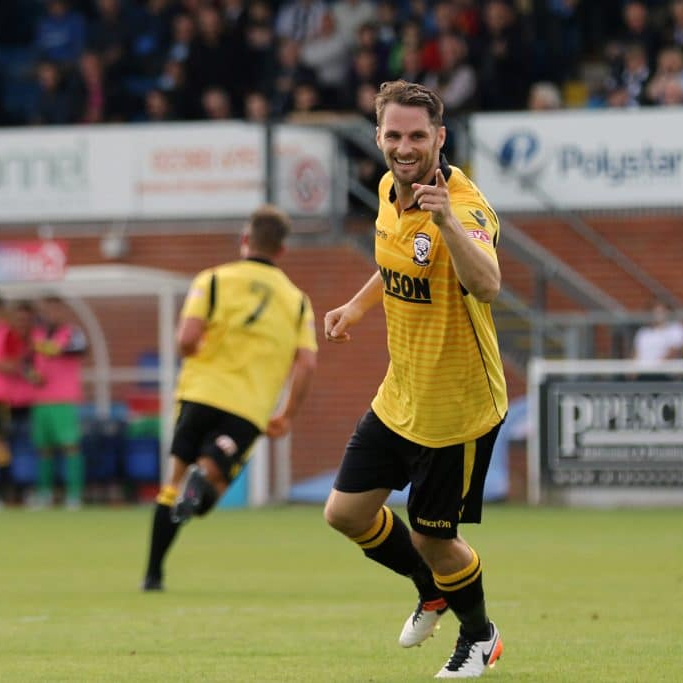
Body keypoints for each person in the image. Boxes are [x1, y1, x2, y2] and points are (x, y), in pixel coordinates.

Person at [323, 80, 508, 679]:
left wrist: (449, 222)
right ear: (378, 137)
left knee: (435, 539)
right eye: (394, 135)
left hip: (455, 411)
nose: (405, 147)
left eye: (418, 136)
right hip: (399, 395)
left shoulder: (467, 207)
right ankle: (431, 591)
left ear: (440, 138)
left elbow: (487, 285)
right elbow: (395, 260)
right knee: (345, 514)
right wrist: (355, 307)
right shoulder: (384, 188)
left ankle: (479, 636)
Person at [142, 204, 318, 591]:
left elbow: (186, 338)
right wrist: (286, 414)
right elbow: (306, 363)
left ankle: (153, 575)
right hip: (249, 408)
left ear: (244, 240)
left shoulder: (213, 280)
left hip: (200, 393)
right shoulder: (297, 301)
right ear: (282, 250)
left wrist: (194, 351)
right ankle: (203, 479)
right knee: (212, 485)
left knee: (170, 486)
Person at [31, 296, 89, 509]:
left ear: (62, 310)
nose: (51, 314)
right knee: (43, 449)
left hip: (64, 399)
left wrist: (50, 349)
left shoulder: (72, 333)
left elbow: (80, 350)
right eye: (47, 309)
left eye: (55, 309)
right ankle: (44, 493)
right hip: (40, 399)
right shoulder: (35, 334)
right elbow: (26, 360)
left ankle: (74, 495)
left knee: (70, 446)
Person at [632, 299, 683, 364]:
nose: (658, 315)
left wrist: (655, 367)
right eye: (655, 311)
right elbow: (635, 354)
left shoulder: (675, 329)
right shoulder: (643, 332)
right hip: (642, 371)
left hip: (663, 371)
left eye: (661, 311)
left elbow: (673, 352)